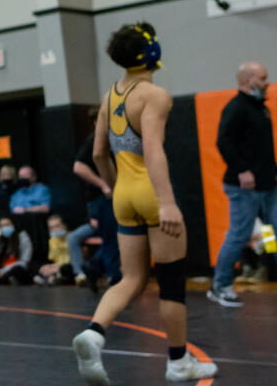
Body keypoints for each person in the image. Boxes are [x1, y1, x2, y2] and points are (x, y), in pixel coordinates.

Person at [72, 23, 217, 384]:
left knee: (131, 277)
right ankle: (178, 361)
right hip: (152, 193)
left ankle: (93, 333)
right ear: (151, 53)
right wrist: (166, 202)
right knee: (170, 282)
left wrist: (115, 187)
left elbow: (97, 152)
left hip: (123, 194)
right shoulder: (153, 95)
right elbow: (152, 150)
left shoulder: (110, 96)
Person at [208, 62, 277, 307]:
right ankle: (220, 285)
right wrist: (242, 170)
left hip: (268, 186)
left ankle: (269, 269)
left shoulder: (261, 108)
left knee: (272, 231)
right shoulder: (236, 108)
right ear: (248, 81)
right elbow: (223, 142)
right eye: (262, 77)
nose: (266, 81)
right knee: (239, 235)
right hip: (244, 188)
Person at [69, 111, 120, 287]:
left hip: (109, 197)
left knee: (116, 236)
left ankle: (95, 266)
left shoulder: (110, 139)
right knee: (113, 237)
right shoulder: (94, 140)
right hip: (102, 199)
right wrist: (103, 184)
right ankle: (114, 277)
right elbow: (78, 167)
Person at [34, 214, 74, 285]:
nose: (55, 230)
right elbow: (55, 259)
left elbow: (77, 259)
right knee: (42, 267)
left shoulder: (73, 238)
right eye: (51, 228)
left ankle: (55, 277)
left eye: (57, 226)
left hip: (71, 266)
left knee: (65, 269)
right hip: (59, 265)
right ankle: (51, 277)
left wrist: (58, 267)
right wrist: (49, 266)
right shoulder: (52, 240)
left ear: (64, 225)